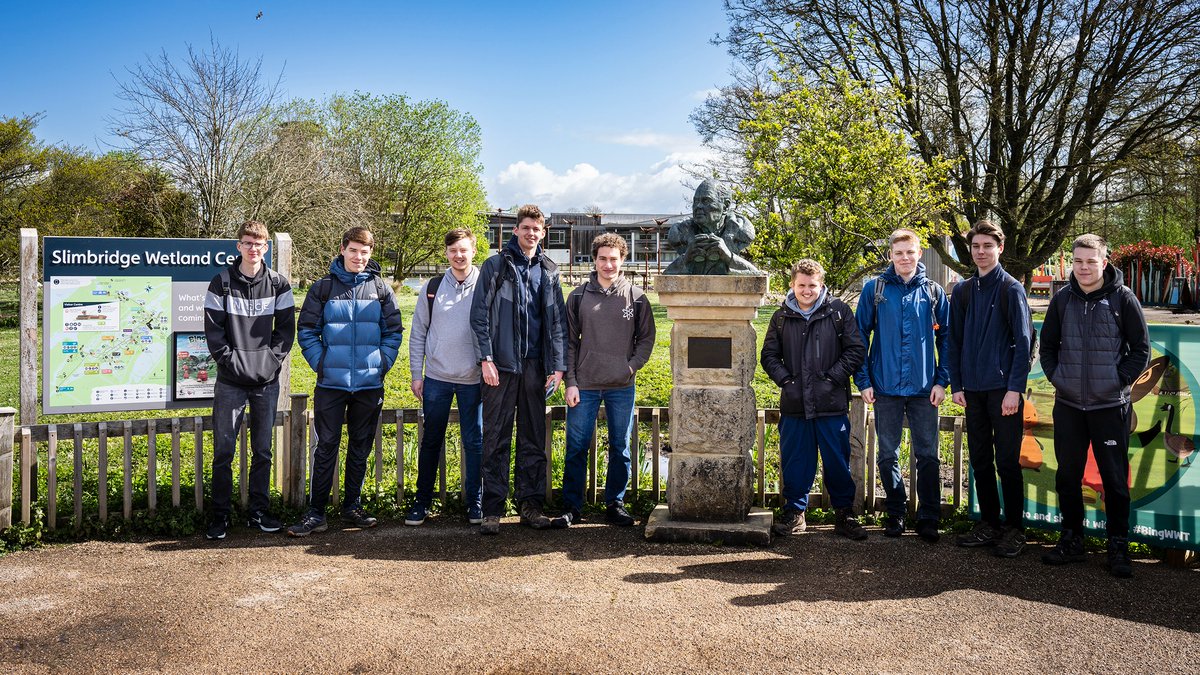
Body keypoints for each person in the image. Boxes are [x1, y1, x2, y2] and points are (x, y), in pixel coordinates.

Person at [1039, 233, 1149, 578]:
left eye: (1091, 261)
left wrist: (1116, 381)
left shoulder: (1123, 299)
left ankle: (1118, 544)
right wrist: (1060, 378)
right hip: (1069, 405)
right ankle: (1072, 540)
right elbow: (1047, 347)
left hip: (1108, 407)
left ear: (1104, 261)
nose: (1084, 268)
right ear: (1072, 263)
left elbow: (1141, 350)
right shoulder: (1062, 300)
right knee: (1067, 476)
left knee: (1114, 479)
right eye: (1078, 261)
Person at [288, 226, 404, 537]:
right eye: (353, 250)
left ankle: (352, 506)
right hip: (331, 384)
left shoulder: (381, 290)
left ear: (370, 253)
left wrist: (381, 363)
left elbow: (394, 332)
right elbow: (307, 330)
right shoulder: (322, 287)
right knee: (326, 447)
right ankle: (316, 513)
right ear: (343, 249)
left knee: (360, 447)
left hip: (368, 384)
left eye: (365, 252)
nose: (359, 257)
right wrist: (321, 363)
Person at [470, 204, 568, 535]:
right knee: (496, 437)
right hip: (500, 367)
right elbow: (479, 316)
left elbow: (557, 323)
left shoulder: (550, 270)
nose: (530, 233)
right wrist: (486, 359)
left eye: (536, 229)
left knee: (532, 439)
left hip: (535, 368)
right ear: (516, 230)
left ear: (543, 232)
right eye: (525, 227)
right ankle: (493, 510)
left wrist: (557, 367)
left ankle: (531, 507)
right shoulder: (497, 266)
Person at [854, 229, 950, 543]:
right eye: (899, 253)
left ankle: (928, 518)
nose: (905, 258)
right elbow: (857, 338)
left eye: (910, 252)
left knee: (928, 456)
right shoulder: (875, 290)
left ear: (919, 254)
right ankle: (894, 513)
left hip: (925, 389)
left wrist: (941, 380)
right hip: (885, 388)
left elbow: (947, 339)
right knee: (887, 454)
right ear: (891, 256)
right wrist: (864, 381)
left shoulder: (934, 292)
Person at [762, 259, 868, 539]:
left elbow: (856, 350)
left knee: (837, 462)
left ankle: (844, 513)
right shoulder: (781, 317)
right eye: (801, 285)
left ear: (821, 285)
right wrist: (787, 381)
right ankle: (795, 513)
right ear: (792, 285)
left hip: (831, 403)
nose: (806, 290)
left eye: (812, 285)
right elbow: (769, 356)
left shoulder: (839, 312)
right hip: (795, 404)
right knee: (796, 462)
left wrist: (832, 378)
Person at [946, 220, 1034, 556]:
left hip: (1003, 391)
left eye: (987, 246)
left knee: (1007, 462)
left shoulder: (1011, 289)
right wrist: (957, 384)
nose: (981, 252)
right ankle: (989, 524)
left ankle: (1015, 529)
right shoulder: (964, 291)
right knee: (980, 460)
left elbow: (1024, 344)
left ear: (999, 248)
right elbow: (953, 342)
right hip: (973, 390)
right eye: (976, 247)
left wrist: (1015, 389)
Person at [203, 221, 295, 540]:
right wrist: (235, 364)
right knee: (224, 451)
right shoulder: (221, 283)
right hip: (230, 382)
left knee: (263, 450)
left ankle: (258, 513)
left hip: (266, 382)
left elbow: (285, 333)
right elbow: (214, 334)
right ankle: (220, 516)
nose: (253, 249)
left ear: (266, 247)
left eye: (259, 244)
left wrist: (268, 363)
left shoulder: (279, 285)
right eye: (247, 243)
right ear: (238, 246)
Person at [557, 233, 656, 527]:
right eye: (603, 258)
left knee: (620, 447)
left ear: (622, 260)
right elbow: (569, 342)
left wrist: (630, 368)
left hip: (621, 386)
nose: (608, 264)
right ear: (594, 259)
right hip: (584, 385)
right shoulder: (577, 296)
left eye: (614, 259)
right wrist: (571, 382)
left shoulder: (636, 297)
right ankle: (572, 508)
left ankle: (614, 503)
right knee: (576, 446)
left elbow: (647, 339)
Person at [405, 228, 484, 526]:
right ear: (446, 253)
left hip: (473, 379)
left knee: (474, 443)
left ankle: (475, 501)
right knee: (430, 442)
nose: (458, 255)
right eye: (453, 250)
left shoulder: (485, 285)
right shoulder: (432, 287)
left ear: (473, 251)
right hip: (437, 377)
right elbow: (418, 334)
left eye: (464, 249)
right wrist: (416, 374)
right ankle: (421, 502)